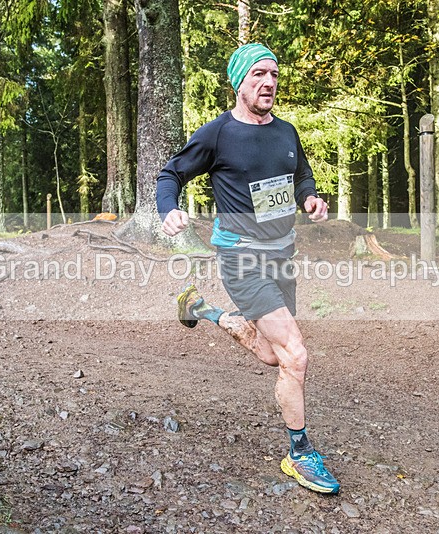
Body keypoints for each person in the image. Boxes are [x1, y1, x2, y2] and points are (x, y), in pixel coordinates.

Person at [156, 43, 338, 494]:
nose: (269, 82)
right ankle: (300, 453)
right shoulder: (217, 134)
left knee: (268, 352)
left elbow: (302, 176)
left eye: (274, 75)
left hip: (282, 255)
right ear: (239, 82)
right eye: (259, 74)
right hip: (241, 256)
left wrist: (309, 199)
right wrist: (168, 210)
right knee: (295, 354)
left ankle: (201, 309)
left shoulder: (286, 132)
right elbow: (170, 173)